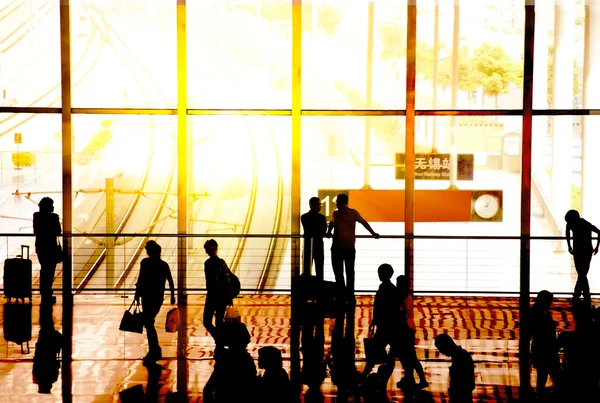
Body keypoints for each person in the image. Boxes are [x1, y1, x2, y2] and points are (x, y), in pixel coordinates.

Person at [326, 193, 379, 299]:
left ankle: (349, 295)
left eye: (339, 201)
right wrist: (328, 232)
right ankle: (343, 294)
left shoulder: (353, 213)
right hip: (337, 248)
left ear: (345, 203)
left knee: (349, 273)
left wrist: (373, 233)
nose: (337, 203)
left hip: (348, 248)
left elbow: (364, 222)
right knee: (339, 273)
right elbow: (332, 224)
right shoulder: (335, 214)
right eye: (337, 201)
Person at [134, 240, 175, 366]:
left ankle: (155, 350)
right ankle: (154, 350)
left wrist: (137, 294)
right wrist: (173, 296)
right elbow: (170, 281)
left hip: (146, 296)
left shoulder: (145, 263)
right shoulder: (164, 265)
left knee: (149, 323)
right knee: (149, 322)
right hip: (157, 298)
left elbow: (141, 279)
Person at [361, 264, 398, 397]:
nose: (378, 275)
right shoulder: (391, 289)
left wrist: (375, 320)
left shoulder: (384, 288)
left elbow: (380, 307)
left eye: (380, 272)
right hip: (390, 326)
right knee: (390, 354)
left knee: (375, 350)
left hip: (384, 326)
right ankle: (382, 379)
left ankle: (365, 374)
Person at [396, 275, 428, 390]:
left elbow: (405, 314)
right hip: (407, 329)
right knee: (408, 356)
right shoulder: (406, 297)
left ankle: (419, 379)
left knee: (410, 356)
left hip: (405, 329)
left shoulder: (405, 298)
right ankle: (410, 377)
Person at [530, 290, 561, 397]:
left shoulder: (538, 312)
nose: (550, 304)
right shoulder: (540, 314)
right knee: (555, 378)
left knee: (542, 377)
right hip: (546, 352)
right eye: (549, 302)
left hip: (541, 351)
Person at [565, 209, 600, 304]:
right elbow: (599, 232)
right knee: (583, 273)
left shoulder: (571, 224)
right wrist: (597, 246)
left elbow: (567, 234)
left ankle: (579, 294)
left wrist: (569, 246)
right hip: (587, 250)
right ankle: (584, 294)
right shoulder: (584, 223)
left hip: (577, 250)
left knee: (581, 273)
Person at [203, 239, 234, 344]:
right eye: (211, 249)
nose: (212, 251)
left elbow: (226, 280)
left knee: (208, 321)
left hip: (214, 295)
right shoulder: (220, 263)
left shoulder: (209, 263)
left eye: (214, 249)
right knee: (218, 322)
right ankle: (220, 339)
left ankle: (219, 340)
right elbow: (227, 280)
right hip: (219, 296)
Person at [33, 197, 62, 304]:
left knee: (44, 269)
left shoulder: (36, 216)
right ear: (49, 206)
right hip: (51, 247)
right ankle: (47, 293)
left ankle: (44, 293)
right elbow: (58, 231)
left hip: (41, 247)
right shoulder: (54, 217)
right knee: (49, 271)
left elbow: (36, 231)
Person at [434, 333, 475, 403]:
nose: (441, 352)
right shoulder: (461, 355)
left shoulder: (461, 358)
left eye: (441, 349)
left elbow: (464, 383)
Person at [301, 197, 327, 280]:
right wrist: (319, 227)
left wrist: (317, 228)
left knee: (316, 267)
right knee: (315, 267)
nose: (319, 206)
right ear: (311, 205)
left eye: (320, 204)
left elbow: (312, 229)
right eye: (317, 204)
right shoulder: (321, 218)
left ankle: (312, 288)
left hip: (311, 244)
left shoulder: (305, 217)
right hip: (314, 244)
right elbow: (320, 230)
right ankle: (317, 287)